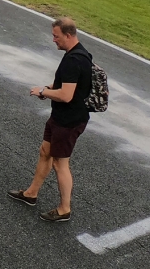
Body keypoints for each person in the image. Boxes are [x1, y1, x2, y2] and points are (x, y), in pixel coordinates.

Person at [9, 18, 94, 223]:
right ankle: (31, 193)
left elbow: (66, 95)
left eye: (56, 36)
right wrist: (46, 90)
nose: (53, 39)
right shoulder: (79, 54)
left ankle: (65, 209)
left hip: (69, 120)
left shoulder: (74, 60)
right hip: (60, 117)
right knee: (45, 152)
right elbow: (66, 85)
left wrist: (44, 92)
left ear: (68, 35)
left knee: (60, 164)